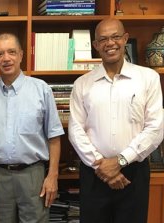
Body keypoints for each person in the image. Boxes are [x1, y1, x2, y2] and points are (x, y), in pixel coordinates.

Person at [68, 18, 163, 223]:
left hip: (133, 173)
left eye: (115, 37)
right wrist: (102, 167)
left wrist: (120, 160)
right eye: (103, 39)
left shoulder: (148, 78)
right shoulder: (82, 84)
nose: (110, 43)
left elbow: (155, 128)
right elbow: (76, 130)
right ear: (95, 46)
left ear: (125, 39)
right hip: (94, 173)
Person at [0, 33, 64, 223]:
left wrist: (52, 176)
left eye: (11, 52)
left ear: (21, 55)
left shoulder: (41, 90)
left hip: (33, 176)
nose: (6, 58)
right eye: (0, 54)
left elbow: (54, 137)